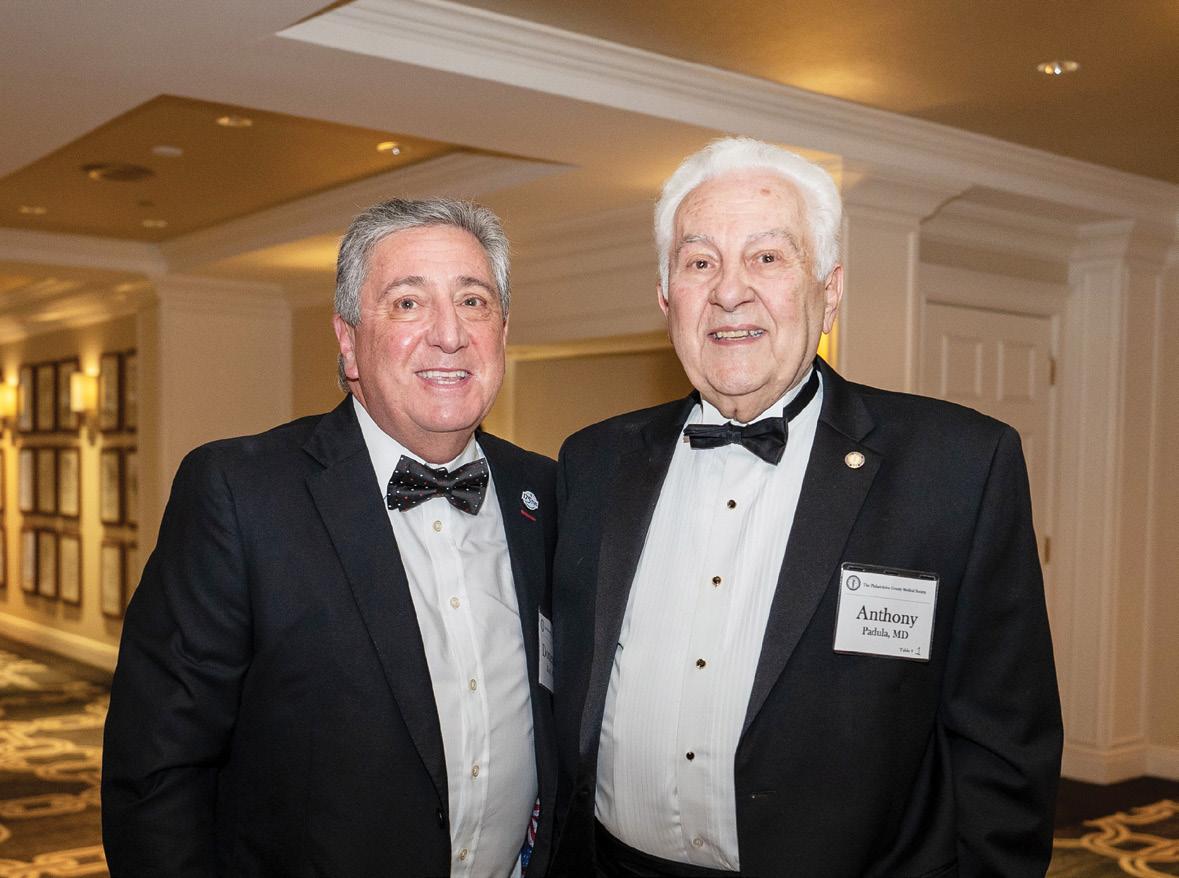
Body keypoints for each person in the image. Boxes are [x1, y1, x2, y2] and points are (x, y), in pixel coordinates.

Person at [550, 138, 1062, 878]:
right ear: (666, 296)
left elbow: (1005, 743)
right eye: (699, 262)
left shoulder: (957, 465)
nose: (729, 292)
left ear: (829, 288)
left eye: (767, 257)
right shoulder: (592, 462)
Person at [102, 198, 557, 878]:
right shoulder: (240, 494)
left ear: (502, 330)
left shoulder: (545, 492)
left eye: (473, 302)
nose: (449, 333)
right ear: (347, 340)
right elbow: (157, 772)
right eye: (408, 303)